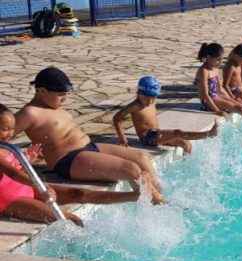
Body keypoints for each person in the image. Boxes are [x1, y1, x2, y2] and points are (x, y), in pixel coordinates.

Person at [14, 67, 164, 204]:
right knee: (131, 169)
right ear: (41, 91)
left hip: (89, 148)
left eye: (65, 94)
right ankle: (158, 206)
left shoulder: (53, 105)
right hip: (68, 160)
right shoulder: (30, 113)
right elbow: (5, 134)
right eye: (60, 95)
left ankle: (160, 195)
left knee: (141, 158)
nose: (64, 99)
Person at [1, 104, 140, 227]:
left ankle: (133, 197)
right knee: (64, 217)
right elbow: (13, 174)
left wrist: (26, 160)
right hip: (10, 199)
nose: (10, 133)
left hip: (27, 188)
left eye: (12, 129)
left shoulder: (6, 146)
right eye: (4, 129)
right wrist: (42, 186)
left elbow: (15, 169)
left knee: (79, 193)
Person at [113, 76, 219, 154]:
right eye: (147, 98)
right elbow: (116, 118)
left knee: (186, 144)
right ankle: (208, 134)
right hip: (148, 137)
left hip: (157, 133)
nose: (150, 101)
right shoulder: (135, 106)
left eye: (153, 98)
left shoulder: (150, 101)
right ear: (139, 93)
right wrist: (122, 137)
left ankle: (186, 168)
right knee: (178, 133)